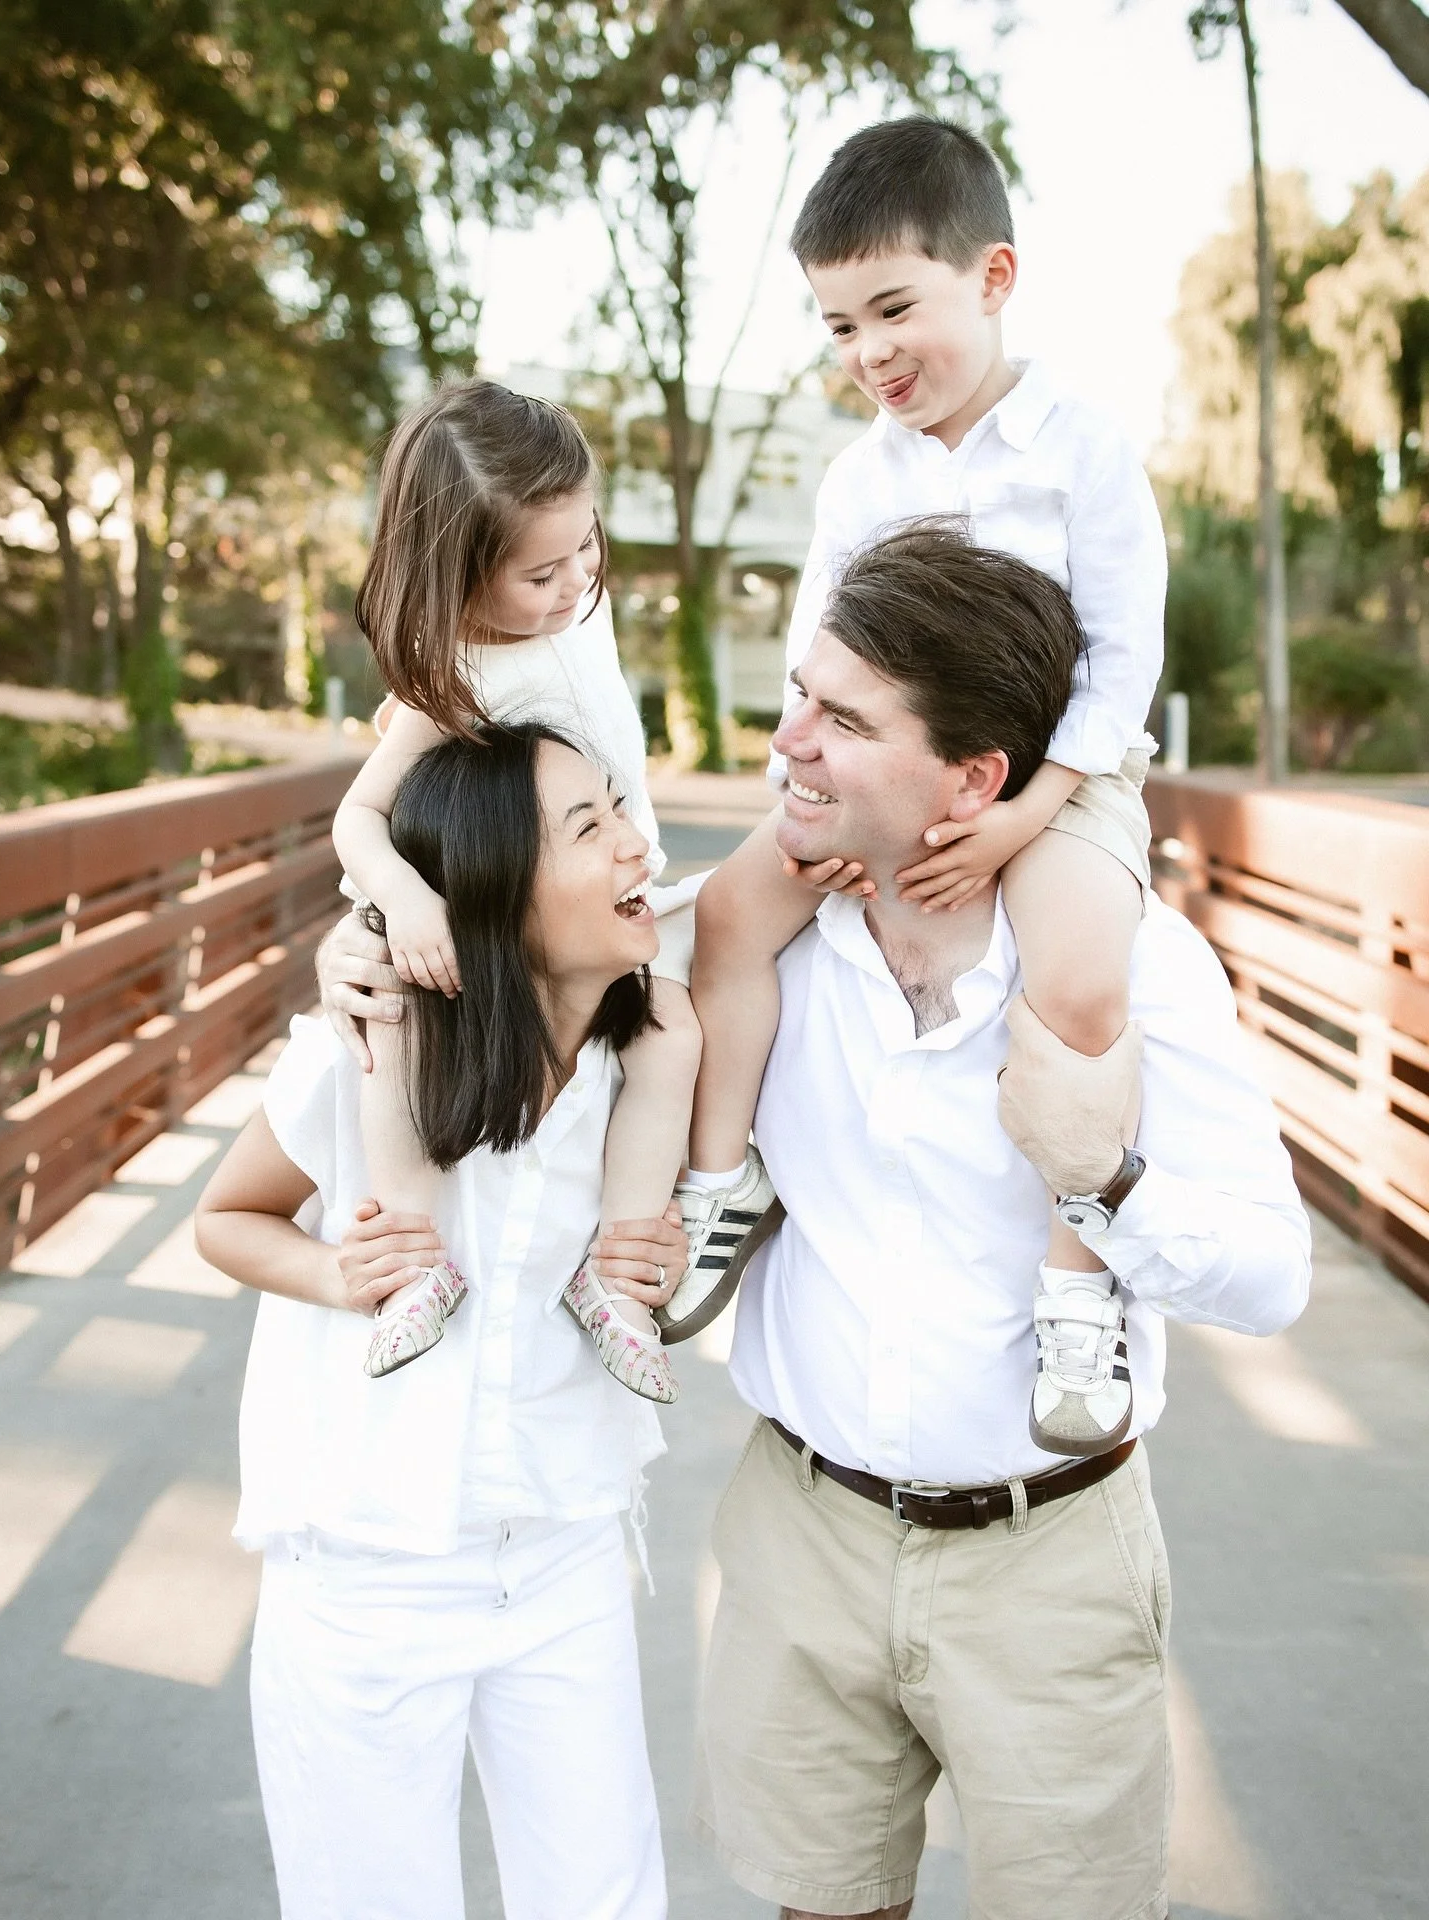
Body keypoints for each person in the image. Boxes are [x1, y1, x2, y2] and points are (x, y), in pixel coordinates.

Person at [687, 521, 1311, 1920]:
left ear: (973, 779)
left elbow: (1275, 1281)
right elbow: (544, 974)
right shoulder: (767, 946)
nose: (787, 739)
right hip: (807, 1535)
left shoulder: (1134, 966)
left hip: (1053, 1564)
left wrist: (1107, 1181)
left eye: (841, 718)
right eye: (801, 693)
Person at [673, 117, 1168, 1460]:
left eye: (895, 307)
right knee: (728, 916)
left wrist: (1022, 813)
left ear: (992, 278)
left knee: (1079, 975)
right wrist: (824, 801)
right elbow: (809, 663)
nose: (869, 352)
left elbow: (1122, 661)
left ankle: (1082, 1284)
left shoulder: (1081, 448)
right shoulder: (860, 482)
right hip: (882, 782)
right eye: (839, 326)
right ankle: (725, 1177)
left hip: (1059, 781)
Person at [196, 724, 687, 1920]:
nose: (638, 844)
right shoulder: (371, 1052)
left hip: (562, 1552)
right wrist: (341, 1275)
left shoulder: (651, 1063)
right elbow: (228, 1218)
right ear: (492, 892)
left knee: (606, 1902)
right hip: (370, 1573)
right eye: (590, 828)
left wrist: (663, 1258)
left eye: (620, 810)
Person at [331, 376, 699, 1398]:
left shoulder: (583, 607)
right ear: (458, 578)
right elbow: (357, 819)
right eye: (540, 573)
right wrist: (405, 904)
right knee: (391, 1020)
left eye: (588, 545)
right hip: (498, 914)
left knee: (674, 1033)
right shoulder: (452, 683)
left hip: (621, 886)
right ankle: (411, 1255)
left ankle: (618, 1272)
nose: (576, 580)